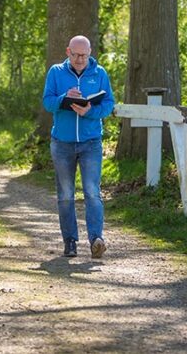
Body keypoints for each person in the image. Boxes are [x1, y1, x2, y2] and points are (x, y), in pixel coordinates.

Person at [42, 35, 115, 258]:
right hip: (62, 143)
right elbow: (47, 102)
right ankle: (70, 241)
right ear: (68, 52)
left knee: (92, 192)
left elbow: (109, 104)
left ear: (90, 52)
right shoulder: (56, 72)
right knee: (65, 195)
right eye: (75, 55)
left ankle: (96, 239)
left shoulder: (99, 73)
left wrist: (90, 111)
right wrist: (65, 98)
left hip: (91, 141)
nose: (80, 59)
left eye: (84, 55)